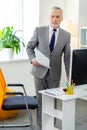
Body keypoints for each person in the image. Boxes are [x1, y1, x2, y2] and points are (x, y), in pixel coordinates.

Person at [26, 6, 71, 130]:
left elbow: (67, 57)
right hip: (39, 72)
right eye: (52, 16)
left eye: (57, 17)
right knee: (40, 100)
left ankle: (51, 125)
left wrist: (70, 75)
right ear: (49, 17)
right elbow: (29, 47)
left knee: (53, 100)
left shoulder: (66, 35)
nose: (55, 19)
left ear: (61, 18)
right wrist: (32, 59)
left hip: (55, 74)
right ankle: (41, 126)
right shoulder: (39, 30)